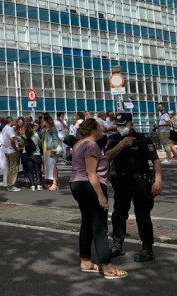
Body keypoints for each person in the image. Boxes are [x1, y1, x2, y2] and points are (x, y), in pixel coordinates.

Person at [69, 118, 127, 279]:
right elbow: (91, 172)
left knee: (87, 223)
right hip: (89, 186)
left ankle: (86, 261)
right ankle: (107, 267)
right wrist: (101, 195)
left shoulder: (79, 144)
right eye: (99, 127)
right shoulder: (91, 145)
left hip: (77, 184)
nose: (102, 130)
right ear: (93, 129)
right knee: (99, 226)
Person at [106, 113, 162, 263]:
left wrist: (158, 181)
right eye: (118, 125)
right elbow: (107, 157)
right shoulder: (114, 139)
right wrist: (121, 145)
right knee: (119, 213)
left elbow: (155, 160)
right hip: (122, 181)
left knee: (143, 215)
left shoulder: (143, 139)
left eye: (123, 125)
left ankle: (147, 248)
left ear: (130, 124)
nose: (120, 128)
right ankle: (117, 245)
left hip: (141, 181)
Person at [0, 117, 21, 192]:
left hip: (6, 150)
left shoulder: (4, 128)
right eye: (13, 120)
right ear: (10, 121)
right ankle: (11, 185)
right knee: (13, 169)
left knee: (10, 168)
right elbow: (12, 141)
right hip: (11, 150)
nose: (14, 122)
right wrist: (16, 149)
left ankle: (9, 183)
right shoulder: (10, 129)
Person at [41, 116, 62, 191]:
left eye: (43, 121)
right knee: (48, 168)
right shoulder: (44, 130)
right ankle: (50, 182)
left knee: (53, 167)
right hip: (45, 151)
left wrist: (53, 150)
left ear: (47, 121)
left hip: (51, 150)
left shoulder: (52, 129)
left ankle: (55, 183)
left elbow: (55, 140)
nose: (41, 122)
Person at [21, 123, 43, 190]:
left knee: (29, 170)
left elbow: (22, 144)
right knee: (37, 170)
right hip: (36, 154)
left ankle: (32, 185)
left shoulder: (23, 136)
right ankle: (38, 185)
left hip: (26, 154)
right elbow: (39, 143)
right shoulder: (36, 135)